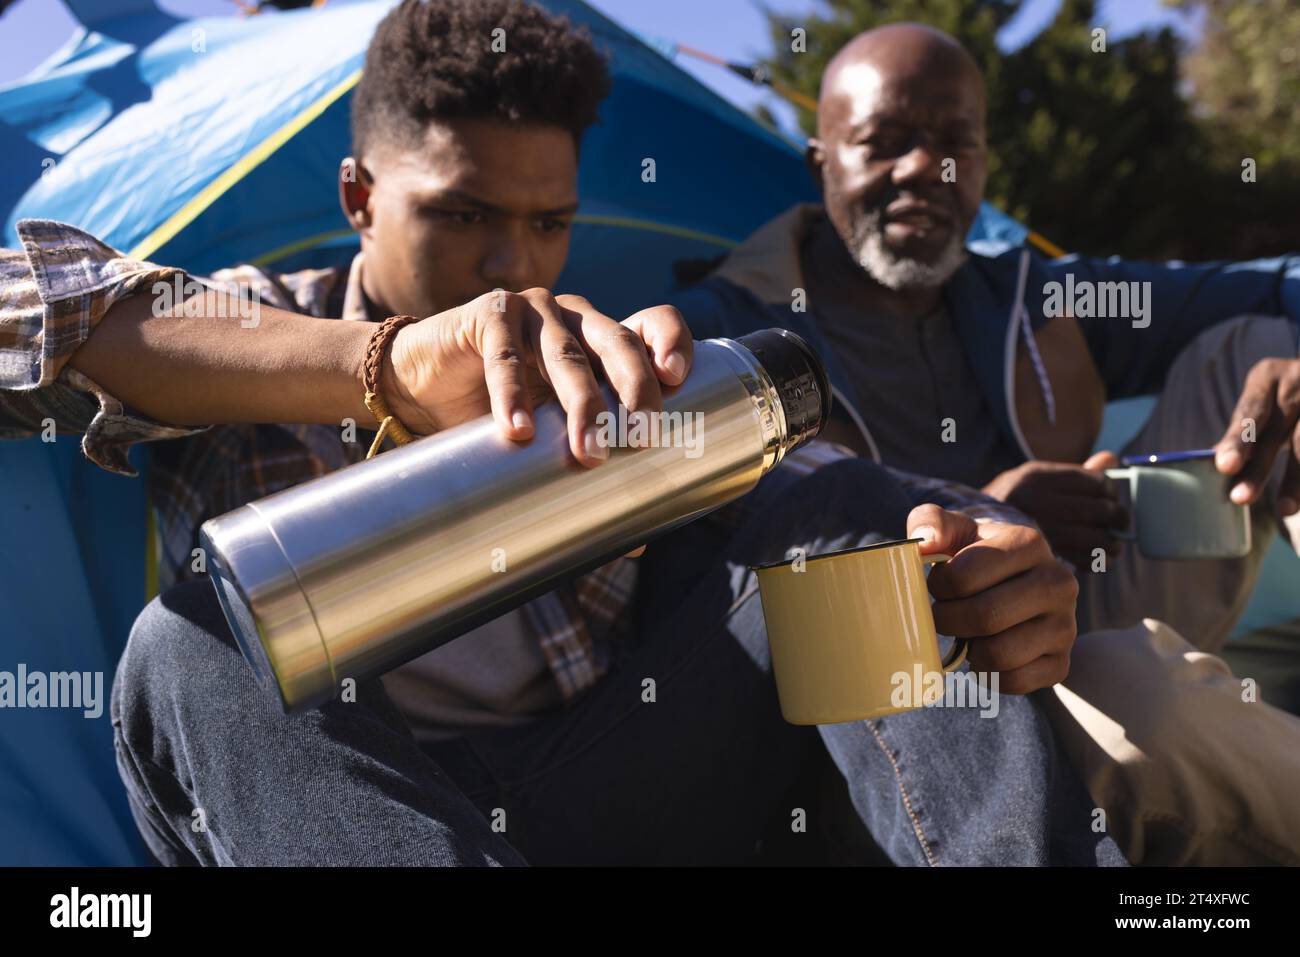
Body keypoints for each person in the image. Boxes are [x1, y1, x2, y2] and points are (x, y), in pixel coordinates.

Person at [0, 1, 1121, 865]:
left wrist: (975, 550)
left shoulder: (583, 354)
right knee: (190, 642)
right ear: (358, 197)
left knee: (865, 532)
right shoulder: (252, 324)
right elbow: (21, 318)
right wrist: (373, 368)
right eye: (462, 214)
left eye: (547, 225)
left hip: (617, 776)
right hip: (353, 813)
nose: (510, 266)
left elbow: (820, 493)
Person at [671, 22, 1300, 865]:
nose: (925, 170)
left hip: (1092, 602)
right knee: (1142, 703)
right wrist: (983, 514)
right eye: (884, 142)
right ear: (821, 159)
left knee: (1262, 353)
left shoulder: (1029, 297)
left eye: (954, 142)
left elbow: (1269, 288)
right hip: (913, 686)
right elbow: (747, 582)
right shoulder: (726, 337)